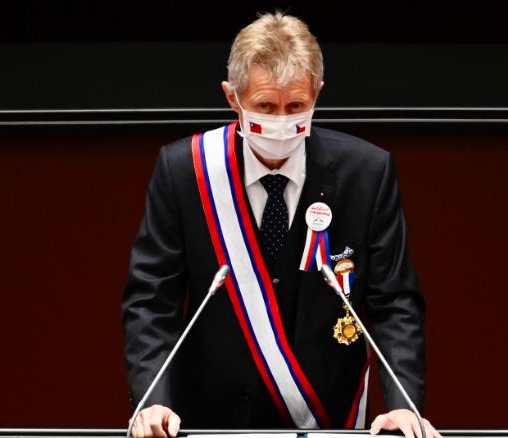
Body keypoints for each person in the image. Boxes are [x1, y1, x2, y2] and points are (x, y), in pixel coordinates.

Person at [122, 12, 440, 438]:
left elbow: (394, 303)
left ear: (318, 93)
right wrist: (153, 399)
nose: (281, 123)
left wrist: (403, 407)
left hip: (327, 418)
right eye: (265, 108)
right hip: (210, 424)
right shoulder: (185, 171)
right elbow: (151, 300)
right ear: (232, 98)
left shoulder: (367, 172)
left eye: (296, 107)